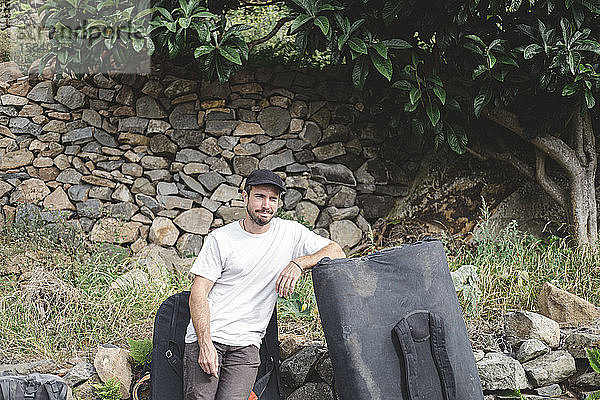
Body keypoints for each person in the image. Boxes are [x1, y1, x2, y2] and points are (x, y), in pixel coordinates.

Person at [183, 169, 346, 400]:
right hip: (211, 338)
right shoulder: (221, 239)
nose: (266, 205)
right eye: (259, 196)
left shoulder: (290, 233)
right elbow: (198, 293)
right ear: (245, 196)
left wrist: (299, 263)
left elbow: (337, 252)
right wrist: (205, 344)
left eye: (273, 199)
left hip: (247, 345)